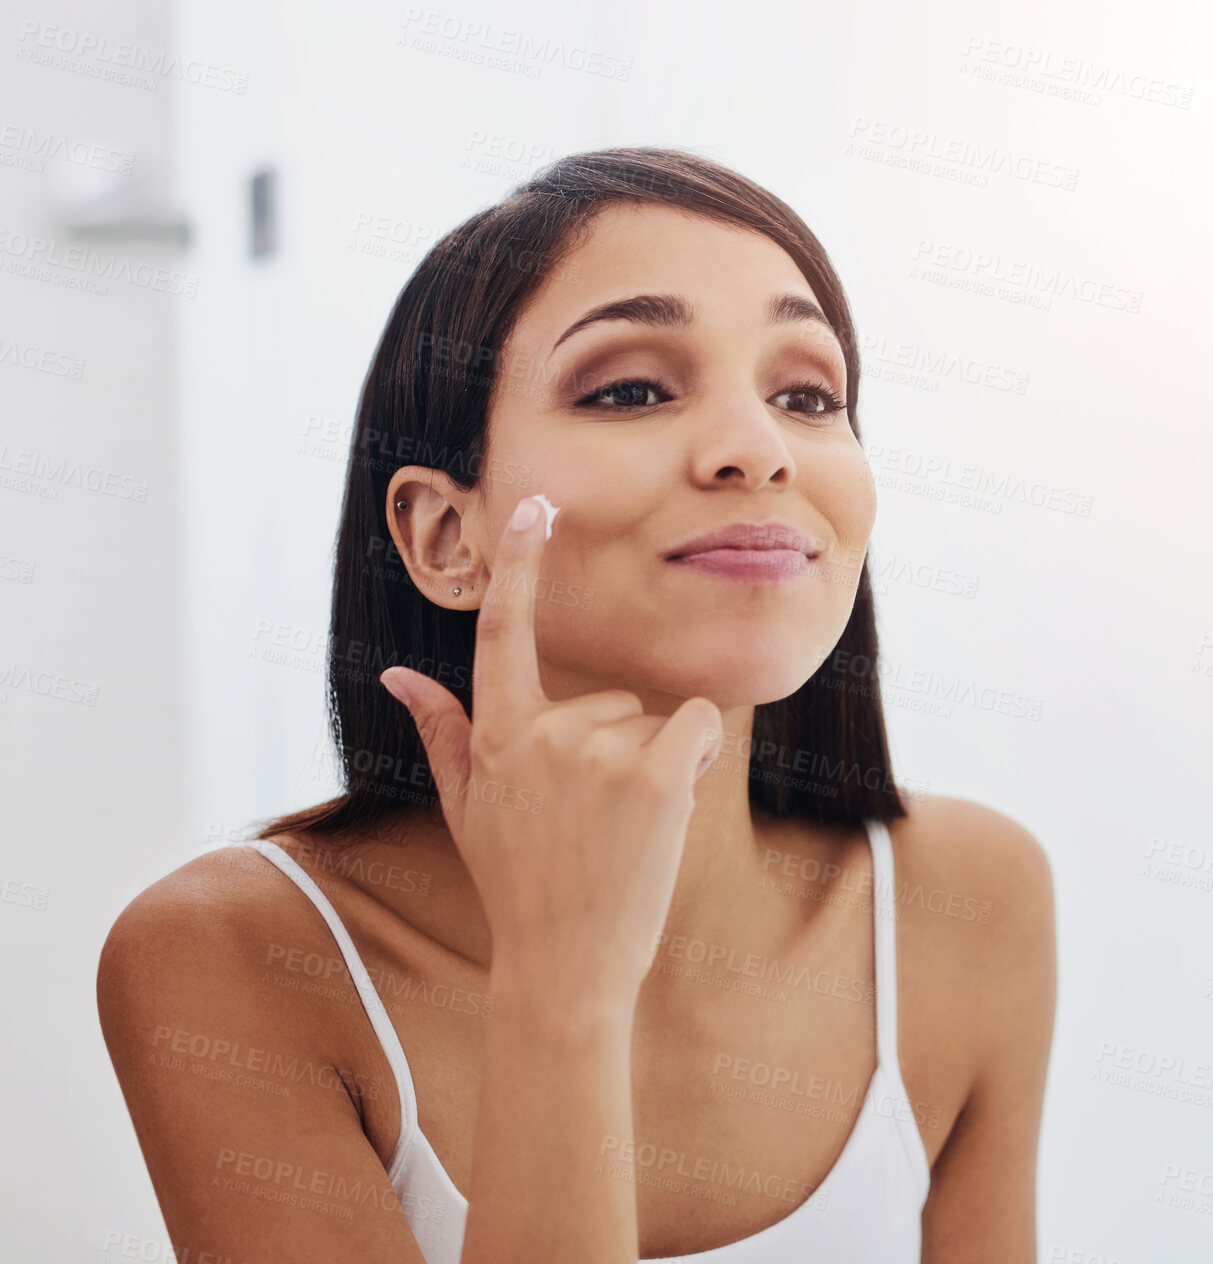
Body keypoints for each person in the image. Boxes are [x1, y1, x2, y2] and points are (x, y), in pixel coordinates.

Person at [97, 147, 1056, 1263]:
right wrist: (566, 985)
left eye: (806, 395)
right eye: (633, 389)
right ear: (443, 535)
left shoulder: (970, 900)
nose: (758, 449)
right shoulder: (234, 958)